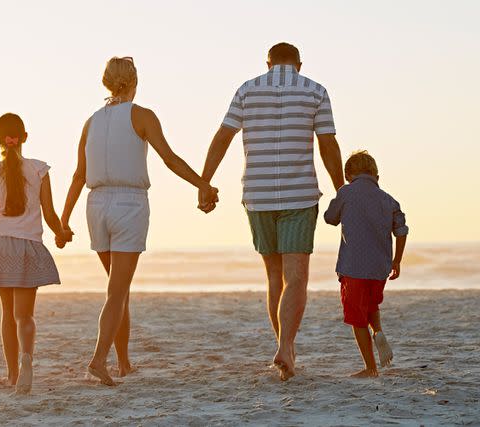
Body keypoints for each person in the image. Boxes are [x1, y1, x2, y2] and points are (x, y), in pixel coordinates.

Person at [60, 56, 218, 386]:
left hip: (95, 205)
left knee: (119, 289)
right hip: (128, 204)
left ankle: (123, 363)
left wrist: (63, 220)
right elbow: (170, 158)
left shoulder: (91, 121)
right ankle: (99, 360)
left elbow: (78, 175)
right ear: (134, 82)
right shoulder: (142, 115)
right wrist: (202, 184)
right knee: (117, 292)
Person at [198, 42, 344, 380]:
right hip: (299, 195)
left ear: (268, 64)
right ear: (299, 64)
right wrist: (341, 191)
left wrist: (205, 181)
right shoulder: (315, 91)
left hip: (258, 194)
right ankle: (286, 347)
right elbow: (328, 143)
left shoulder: (247, 90)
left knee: (274, 277)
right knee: (296, 277)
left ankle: (284, 345)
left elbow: (223, 136)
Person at [0, 113, 72, 393]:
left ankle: (12, 375)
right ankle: (26, 362)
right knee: (24, 315)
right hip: (27, 246)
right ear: (24, 137)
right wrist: (61, 234)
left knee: (7, 314)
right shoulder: (39, 170)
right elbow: (49, 213)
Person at [324, 150, 408, 377]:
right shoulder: (388, 199)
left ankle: (371, 367)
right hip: (380, 267)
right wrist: (397, 260)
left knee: (356, 316)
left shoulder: (346, 192)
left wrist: (341, 199)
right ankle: (378, 332)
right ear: (376, 176)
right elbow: (401, 231)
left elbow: (330, 218)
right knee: (371, 305)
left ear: (348, 174)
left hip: (353, 266)